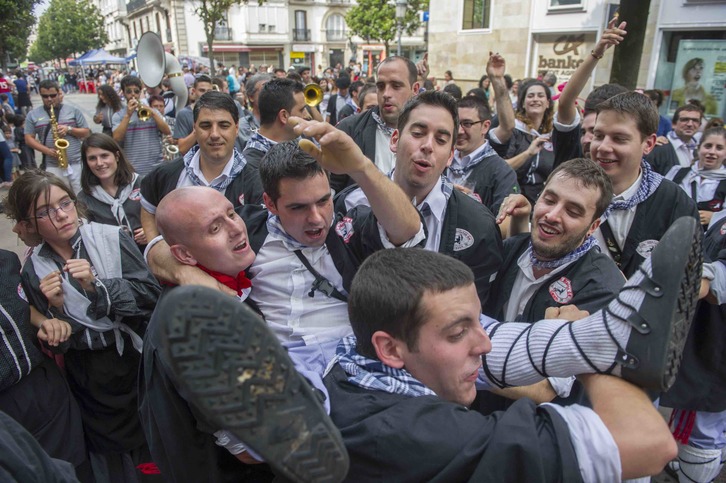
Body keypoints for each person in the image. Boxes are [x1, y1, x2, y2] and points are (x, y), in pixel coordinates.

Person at [5, 170, 161, 481]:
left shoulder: (110, 237)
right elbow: (57, 341)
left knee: (154, 444)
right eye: (46, 211)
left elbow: (151, 297)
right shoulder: (34, 269)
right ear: (29, 224)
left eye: (65, 203)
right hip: (88, 377)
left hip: (135, 363)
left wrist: (96, 287)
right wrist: (56, 312)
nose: (62, 215)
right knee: (112, 460)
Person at [337, 90, 504, 306]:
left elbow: (475, 310)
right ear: (395, 140)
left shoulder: (478, 225)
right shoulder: (351, 204)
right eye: (418, 133)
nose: (428, 146)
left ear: (450, 156)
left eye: (441, 140)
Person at [0, 249, 91, 481]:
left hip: (46, 391)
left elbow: (20, 304)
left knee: (76, 470)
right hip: (6, 414)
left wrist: (45, 323)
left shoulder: (5, 260)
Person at [591, 92, 699, 277]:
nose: (603, 147)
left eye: (619, 138)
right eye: (599, 136)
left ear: (648, 144)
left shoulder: (672, 200)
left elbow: (694, 273)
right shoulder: (572, 189)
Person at [140, 91, 264, 242]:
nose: (214, 134)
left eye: (224, 125)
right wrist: (155, 247)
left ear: (236, 128)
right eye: (206, 126)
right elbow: (147, 206)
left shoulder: (256, 181)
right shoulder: (167, 173)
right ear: (194, 128)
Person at [334, 56, 421, 191]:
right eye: (381, 86)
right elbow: (331, 189)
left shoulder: (430, 133)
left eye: (396, 86)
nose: (386, 94)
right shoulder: (349, 130)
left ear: (415, 89)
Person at [448, 95, 519, 215]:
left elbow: (505, 223)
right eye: (456, 123)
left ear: (485, 127)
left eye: (467, 124)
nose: (459, 131)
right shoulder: (442, 158)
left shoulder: (501, 172)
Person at [77, 133, 147, 252]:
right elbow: (86, 238)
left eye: (104, 156)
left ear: (117, 156)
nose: (99, 163)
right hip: (114, 261)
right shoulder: (84, 198)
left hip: (148, 253)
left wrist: (152, 230)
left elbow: (164, 216)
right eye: (92, 158)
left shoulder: (142, 183)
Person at [493, 78, 556, 204]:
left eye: (540, 96)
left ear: (548, 103)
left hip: (540, 201)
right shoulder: (513, 130)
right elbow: (498, 168)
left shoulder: (552, 134)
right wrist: (528, 153)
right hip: (511, 199)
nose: (535, 99)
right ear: (522, 103)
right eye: (530, 96)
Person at [24, 80, 91, 194]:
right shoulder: (33, 114)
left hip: (76, 163)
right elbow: (28, 139)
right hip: (53, 164)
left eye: (53, 95)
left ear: (59, 93)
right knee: (60, 196)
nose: (49, 99)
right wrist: (47, 151)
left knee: (82, 196)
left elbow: (86, 133)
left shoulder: (73, 111)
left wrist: (69, 129)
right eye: (45, 96)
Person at [665, 127, 726, 229]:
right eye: (708, 146)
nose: (712, 151)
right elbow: (660, 202)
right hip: (672, 236)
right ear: (698, 148)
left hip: (707, 241)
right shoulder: (677, 172)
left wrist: (714, 218)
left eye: (719, 148)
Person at [112, 75, 171, 175]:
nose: (133, 95)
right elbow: (117, 138)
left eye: (136, 91)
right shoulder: (119, 115)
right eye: (129, 92)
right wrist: (128, 115)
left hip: (156, 167)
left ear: (140, 92)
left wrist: (152, 112)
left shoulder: (153, 112)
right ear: (123, 93)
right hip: (132, 169)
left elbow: (167, 131)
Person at [242, 78, 309, 167]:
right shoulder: (253, 164)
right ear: (284, 116)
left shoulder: (298, 141)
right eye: (302, 110)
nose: (307, 116)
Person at [647, 104, 703, 175]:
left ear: (699, 125)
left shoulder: (699, 150)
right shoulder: (659, 148)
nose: (690, 124)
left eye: (695, 120)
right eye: (685, 120)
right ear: (673, 124)